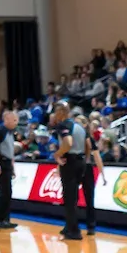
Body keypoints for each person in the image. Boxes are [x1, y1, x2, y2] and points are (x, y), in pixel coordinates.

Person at [53, 102, 86, 240]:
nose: (54, 115)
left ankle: (74, 231)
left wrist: (57, 154)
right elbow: (88, 144)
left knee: (69, 197)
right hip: (81, 161)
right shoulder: (79, 126)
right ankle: (68, 226)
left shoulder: (64, 125)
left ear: (61, 112)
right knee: (74, 197)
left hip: (70, 162)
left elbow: (68, 143)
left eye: (56, 112)